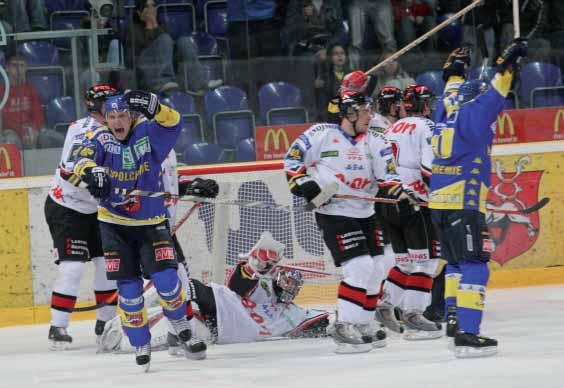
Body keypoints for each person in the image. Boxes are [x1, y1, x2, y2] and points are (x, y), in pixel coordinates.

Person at [71, 90, 206, 369]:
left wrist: (157, 108)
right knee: (129, 292)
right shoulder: (100, 138)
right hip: (114, 226)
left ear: (131, 117)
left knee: (168, 281)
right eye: (111, 117)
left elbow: (174, 122)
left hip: (152, 223)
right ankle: (140, 342)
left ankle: (181, 325)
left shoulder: (148, 132)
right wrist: (91, 171)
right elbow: (80, 158)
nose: (117, 121)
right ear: (106, 119)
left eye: (122, 116)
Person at [284, 90, 416, 353]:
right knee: (359, 266)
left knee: (379, 267)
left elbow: (388, 179)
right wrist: (304, 184)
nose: (371, 115)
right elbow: (292, 161)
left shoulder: (376, 141)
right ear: (349, 114)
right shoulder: (321, 134)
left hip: (366, 211)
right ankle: (343, 325)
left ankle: (364, 323)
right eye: (365, 111)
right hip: (334, 212)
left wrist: (401, 194)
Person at [429, 39, 528, 358]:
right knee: (476, 265)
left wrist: (455, 70)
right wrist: (507, 65)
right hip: (464, 202)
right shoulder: (472, 116)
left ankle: (454, 319)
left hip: (439, 205)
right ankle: (468, 334)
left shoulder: (443, 110)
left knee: (455, 264)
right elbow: (498, 92)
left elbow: (452, 88)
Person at [98, 232, 330, 352]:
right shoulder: (265, 287)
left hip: (226, 329)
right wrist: (256, 266)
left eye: (293, 285)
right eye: (287, 280)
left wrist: (353, 317)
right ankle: (125, 317)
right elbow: (237, 285)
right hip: (222, 305)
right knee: (180, 290)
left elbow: (321, 321)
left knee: (182, 324)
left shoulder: (294, 313)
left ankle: (127, 340)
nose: (289, 286)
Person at [44, 84, 119, 350]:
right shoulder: (82, 130)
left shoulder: (120, 128)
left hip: (99, 209)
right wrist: (91, 180)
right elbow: (68, 171)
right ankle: (58, 326)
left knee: (108, 265)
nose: (116, 110)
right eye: (109, 105)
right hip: (67, 207)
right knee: (73, 266)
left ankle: (106, 324)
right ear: (96, 108)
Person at [376, 85, 443, 340]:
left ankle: (384, 305)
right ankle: (413, 316)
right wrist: (440, 196)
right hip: (414, 203)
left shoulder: (392, 128)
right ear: (424, 105)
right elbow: (428, 170)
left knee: (404, 262)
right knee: (427, 261)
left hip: (388, 201)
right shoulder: (427, 127)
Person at [125, 0, 222, 94]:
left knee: (183, 41)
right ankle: (164, 81)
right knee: (165, 38)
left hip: (164, 63)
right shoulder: (132, 28)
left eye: (153, 5)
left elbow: (167, 46)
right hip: (146, 68)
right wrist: (149, 26)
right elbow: (139, 51)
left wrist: (155, 25)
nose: (152, 9)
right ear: (139, 12)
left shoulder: (160, 26)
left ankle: (200, 84)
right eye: (147, 6)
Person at [0, 52, 45, 149]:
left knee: (48, 137)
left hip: (29, 131)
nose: (18, 69)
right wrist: (21, 131)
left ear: (25, 68)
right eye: (14, 65)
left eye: (21, 65)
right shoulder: (1, 91)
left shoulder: (31, 90)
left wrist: (34, 130)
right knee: (10, 140)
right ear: (7, 68)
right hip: (10, 132)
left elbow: (38, 116)